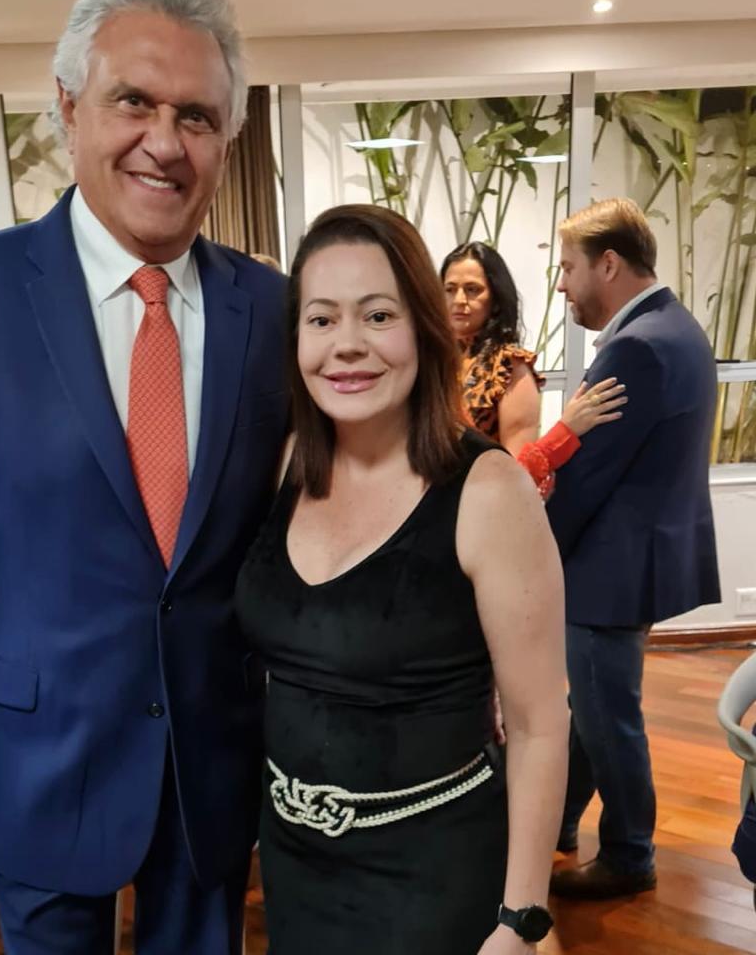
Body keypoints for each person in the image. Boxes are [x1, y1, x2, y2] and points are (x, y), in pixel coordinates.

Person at [0, 0, 289, 955]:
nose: (164, 142)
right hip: (37, 757)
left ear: (225, 139)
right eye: (132, 101)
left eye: (195, 116)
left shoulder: (272, 310)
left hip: (213, 761)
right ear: (67, 107)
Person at [236, 205, 568, 955]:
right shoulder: (288, 465)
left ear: (423, 327)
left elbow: (541, 724)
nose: (347, 344)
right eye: (321, 319)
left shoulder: (488, 492)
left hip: (434, 874)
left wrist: (522, 918)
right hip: (294, 861)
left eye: (378, 315)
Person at [546, 198, 720, 899]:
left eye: (568, 267)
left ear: (609, 264)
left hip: (607, 571)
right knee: (592, 708)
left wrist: (529, 552)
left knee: (607, 718)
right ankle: (556, 820)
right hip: (635, 561)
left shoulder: (635, 348)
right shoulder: (678, 328)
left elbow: (584, 477)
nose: (562, 284)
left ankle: (629, 854)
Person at [441, 241, 625, 498]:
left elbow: (518, 472)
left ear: (495, 298)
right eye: (450, 289)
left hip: (478, 502)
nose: (459, 300)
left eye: (473, 290)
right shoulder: (431, 359)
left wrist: (563, 433)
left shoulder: (508, 366)